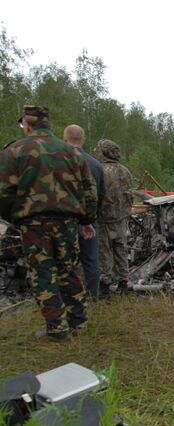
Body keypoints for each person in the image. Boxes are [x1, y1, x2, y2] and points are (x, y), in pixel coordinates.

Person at [0, 106, 98, 341]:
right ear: (49, 125)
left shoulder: (15, 151)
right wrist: (86, 219)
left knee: (43, 273)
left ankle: (56, 328)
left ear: (27, 124)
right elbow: (90, 191)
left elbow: (3, 193)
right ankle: (79, 321)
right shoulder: (72, 152)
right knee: (70, 269)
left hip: (33, 224)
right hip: (67, 222)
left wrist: (14, 218)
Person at [63, 125, 106, 297]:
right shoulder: (96, 165)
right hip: (89, 220)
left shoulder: (59, 162)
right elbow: (102, 193)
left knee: (66, 261)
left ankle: (71, 298)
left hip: (66, 220)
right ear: (83, 140)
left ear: (64, 139)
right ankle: (92, 297)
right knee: (91, 261)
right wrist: (92, 215)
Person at [94, 139, 134, 293]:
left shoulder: (99, 170)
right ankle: (124, 280)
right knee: (121, 248)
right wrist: (125, 212)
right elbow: (129, 195)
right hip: (121, 217)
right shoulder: (125, 170)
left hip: (103, 218)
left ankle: (105, 284)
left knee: (104, 250)